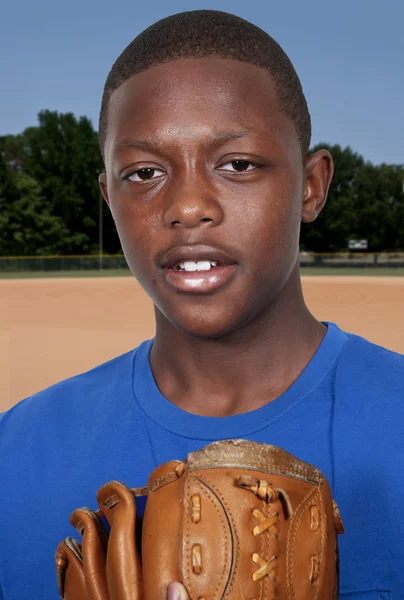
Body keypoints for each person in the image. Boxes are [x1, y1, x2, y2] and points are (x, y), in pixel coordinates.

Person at [0, 10, 403, 600]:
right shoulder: (18, 453)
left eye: (238, 164)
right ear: (109, 199)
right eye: (144, 172)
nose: (188, 206)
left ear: (312, 186)